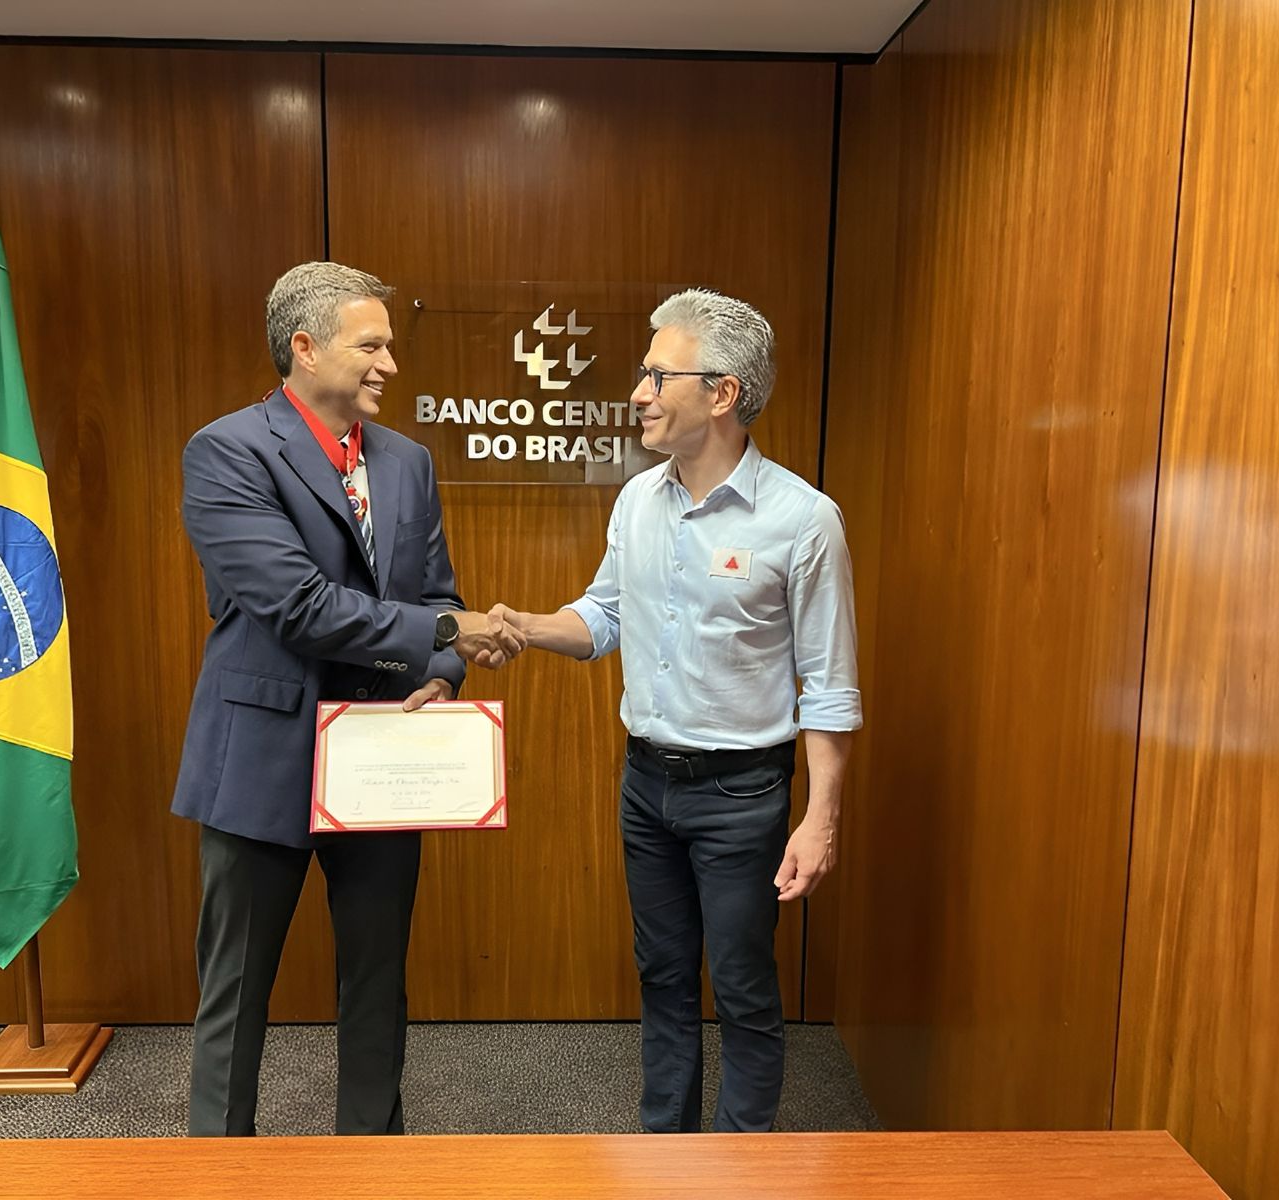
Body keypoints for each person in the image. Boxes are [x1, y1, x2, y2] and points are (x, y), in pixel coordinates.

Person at [488, 288, 859, 1133]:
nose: (638, 393)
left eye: (659, 374)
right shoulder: (636, 501)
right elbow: (606, 614)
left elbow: (830, 686)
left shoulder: (803, 521)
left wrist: (821, 817)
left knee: (741, 987)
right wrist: (521, 627)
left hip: (741, 797)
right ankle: (666, 1156)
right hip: (645, 787)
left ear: (722, 393)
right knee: (659, 975)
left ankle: (741, 1170)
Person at [173, 260, 523, 1136]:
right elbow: (296, 605)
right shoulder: (227, 451)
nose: (389, 366)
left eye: (389, 347)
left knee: (376, 982)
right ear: (304, 346)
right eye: (371, 345)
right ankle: (216, 1171)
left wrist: (447, 670)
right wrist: (447, 635)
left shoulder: (406, 460)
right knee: (237, 987)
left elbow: (438, 591)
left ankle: (373, 1163)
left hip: (384, 754)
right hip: (263, 757)